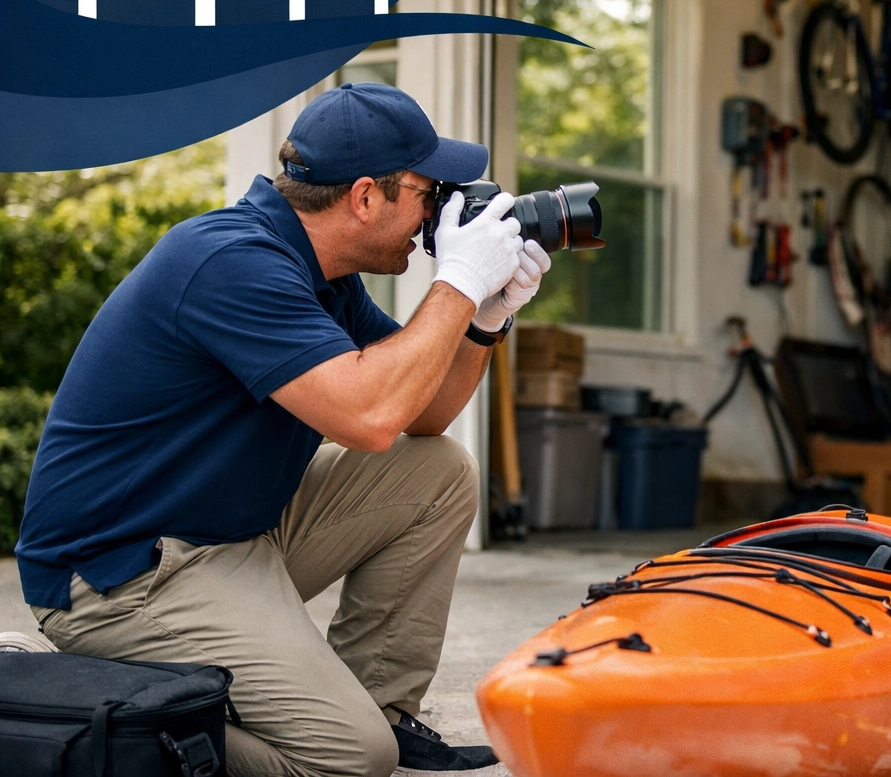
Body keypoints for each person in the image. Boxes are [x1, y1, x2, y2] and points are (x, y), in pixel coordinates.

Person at [16, 82, 551, 777]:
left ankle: (379, 703)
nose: (437, 217)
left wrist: (485, 317)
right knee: (347, 757)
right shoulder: (228, 263)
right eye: (428, 193)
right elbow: (368, 416)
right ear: (364, 197)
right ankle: (85, 701)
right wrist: (455, 283)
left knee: (438, 471)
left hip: (231, 538)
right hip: (125, 576)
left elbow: (422, 415)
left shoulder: (324, 274)